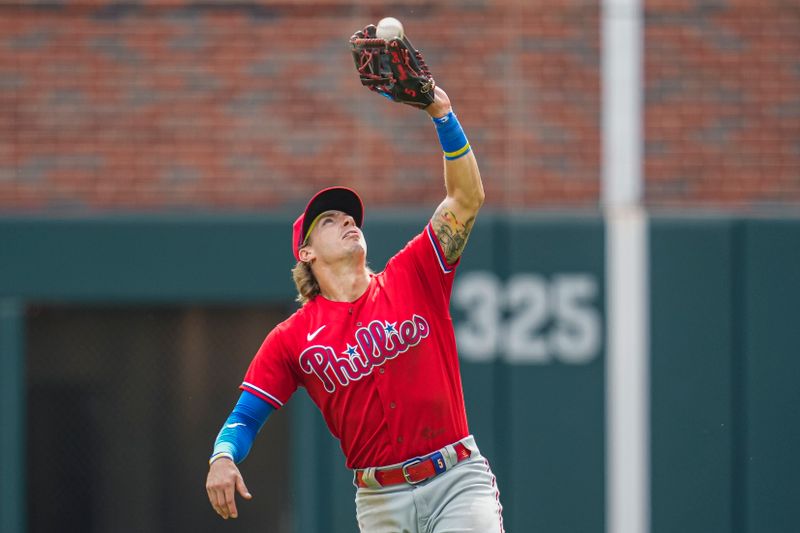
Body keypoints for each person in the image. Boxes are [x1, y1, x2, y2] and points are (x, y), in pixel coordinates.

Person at [205, 83, 504, 532]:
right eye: (329, 221)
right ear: (306, 254)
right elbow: (246, 415)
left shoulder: (414, 273)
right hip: (380, 500)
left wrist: (442, 114)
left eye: (349, 217)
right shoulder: (292, 339)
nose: (347, 221)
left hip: (456, 480)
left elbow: (466, 200)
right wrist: (222, 457)